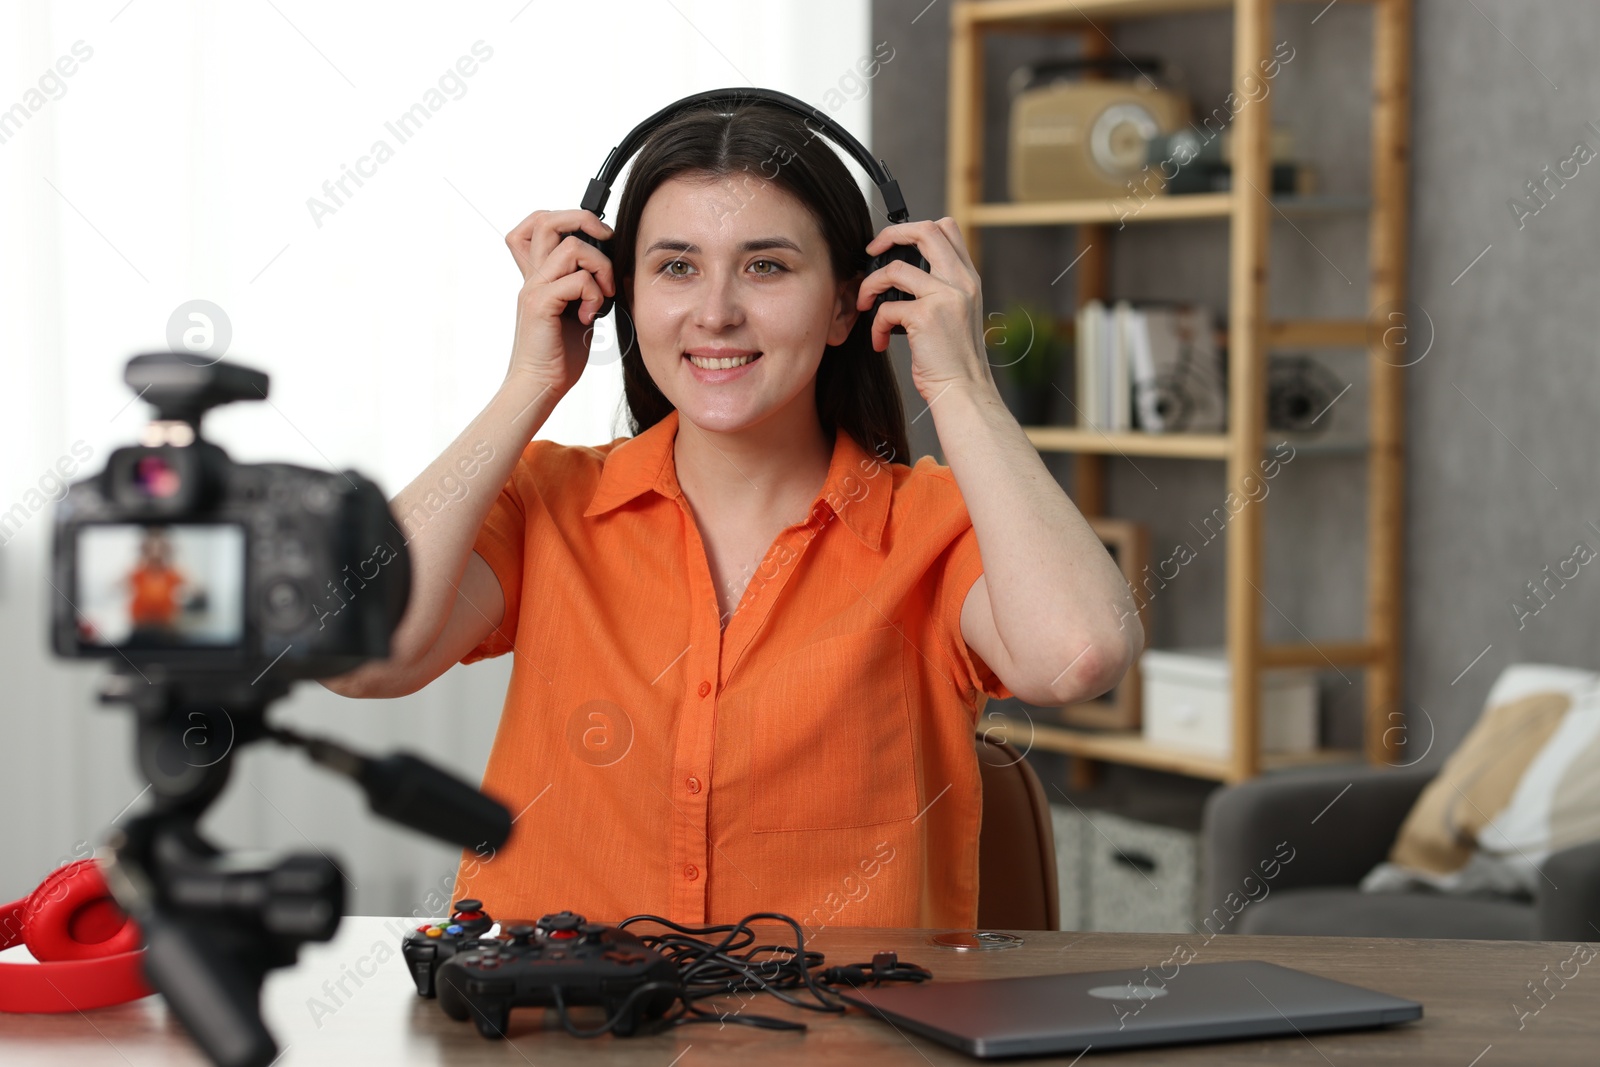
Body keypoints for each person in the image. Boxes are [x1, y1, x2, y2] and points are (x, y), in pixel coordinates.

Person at [321, 100, 1142, 929]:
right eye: (676, 267)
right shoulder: (546, 500)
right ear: (615, 298)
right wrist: (528, 385)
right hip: (557, 1041)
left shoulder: (935, 525)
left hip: (836, 1049)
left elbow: (1077, 656)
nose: (715, 312)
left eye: (767, 267)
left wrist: (961, 384)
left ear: (846, 305)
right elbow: (355, 652)